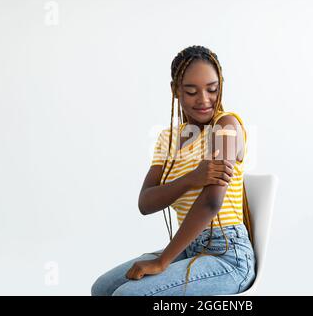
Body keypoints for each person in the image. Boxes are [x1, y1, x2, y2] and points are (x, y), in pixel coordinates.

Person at [91, 45, 256, 296]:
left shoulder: (226, 125)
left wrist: (162, 261)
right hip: (189, 248)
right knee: (102, 288)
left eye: (212, 89)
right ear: (175, 91)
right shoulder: (168, 139)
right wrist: (192, 179)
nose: (204, 99)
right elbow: (145, 203)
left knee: (127, 296)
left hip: (228, 255)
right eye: (191, 91)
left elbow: (212, 202)